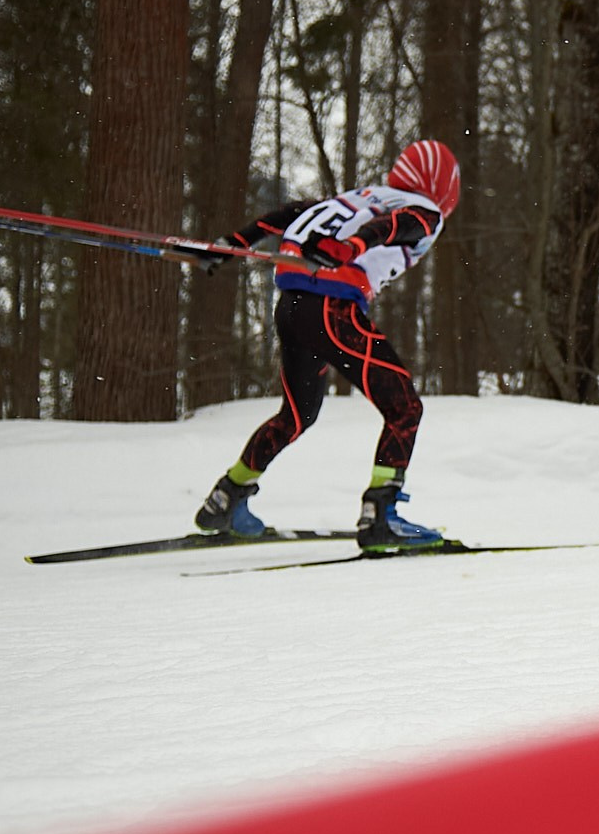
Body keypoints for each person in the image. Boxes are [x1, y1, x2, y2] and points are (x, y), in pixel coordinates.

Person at [192, 139, 459, 552]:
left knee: (295, 416)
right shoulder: (426, 211)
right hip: (332, 308)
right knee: (405, 407)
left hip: (293, 306)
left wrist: (229, 245)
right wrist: (351, 248)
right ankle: (380, 515)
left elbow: (287, 215)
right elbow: (401, 226)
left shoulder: (361, 197)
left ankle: (227, 497)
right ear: (443, 185)